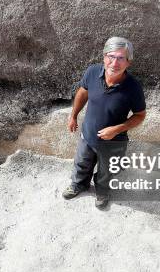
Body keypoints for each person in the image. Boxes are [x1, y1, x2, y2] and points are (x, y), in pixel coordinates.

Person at [62, 36, 146, 209]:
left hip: (113, 142)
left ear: (128, 62)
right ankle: (79, 184)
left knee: (107, 170)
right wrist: (73, 115)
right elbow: (82, 93)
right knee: (81, 164)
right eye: (111, 56)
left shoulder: (134, 87)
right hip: (88, 135)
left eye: (121, 58)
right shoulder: (92, 72)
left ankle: (102, 190)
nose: (114, 63)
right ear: (104, 57)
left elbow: (140, 115)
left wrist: (117, 129)